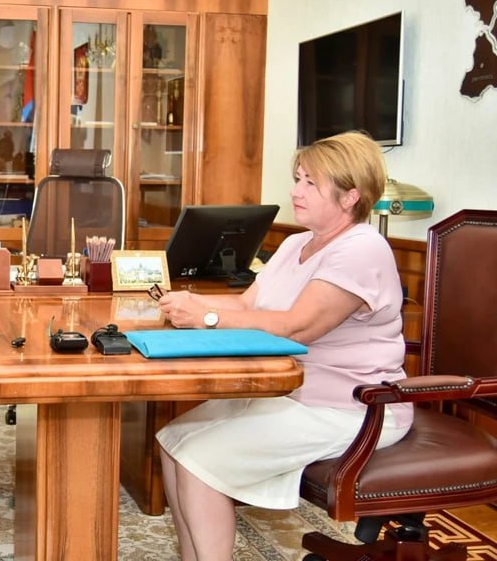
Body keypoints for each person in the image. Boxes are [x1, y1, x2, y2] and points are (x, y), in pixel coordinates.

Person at [154, 131, 413, 561]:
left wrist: (207, 317)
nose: (295, 191)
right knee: (171, 442)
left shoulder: (363, 249)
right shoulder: (296, 243)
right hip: (289, 392)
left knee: (199, 461)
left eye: (311, 182)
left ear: (351, 196)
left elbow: (296, 328)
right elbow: (246, 305)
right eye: (297, 179)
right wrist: (190, 302)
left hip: (352, 407)